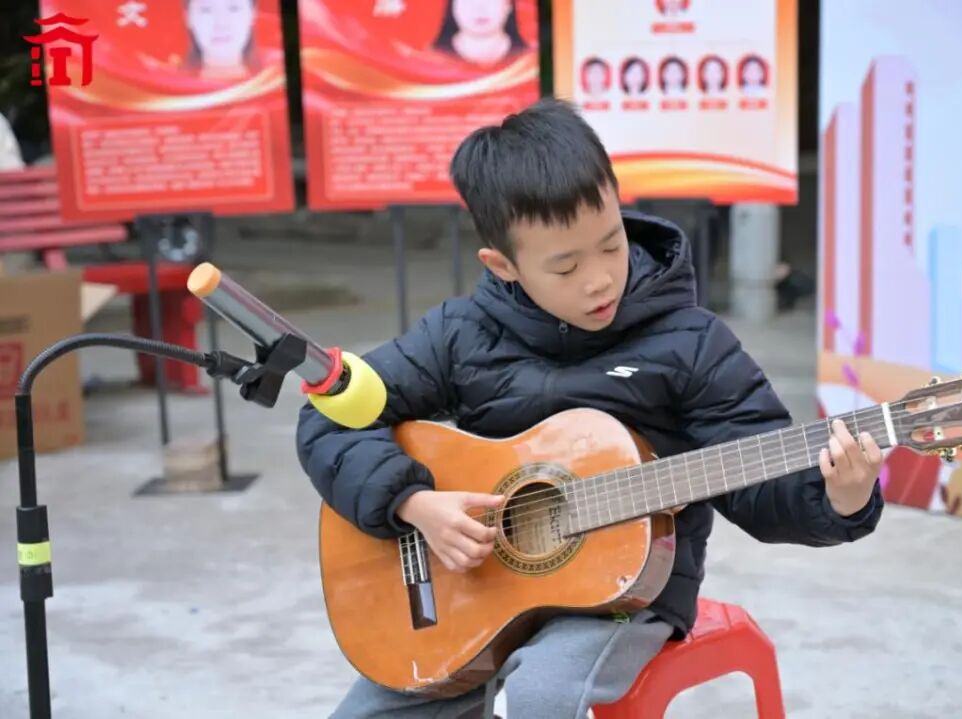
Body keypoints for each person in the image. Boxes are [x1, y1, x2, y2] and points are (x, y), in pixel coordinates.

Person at [296, 98, 884, 719]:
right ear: (503, 266)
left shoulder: (692, 343)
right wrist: (413, 503)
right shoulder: (459, 334)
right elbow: (333, 414)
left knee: (540, 692)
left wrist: (838, 499)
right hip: (473, 592)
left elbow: (759, 481)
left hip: (623, 597)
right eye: (566, 266)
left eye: (611, 245)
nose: (599, 279)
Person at [432, 0, 528, 66]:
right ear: (452, 6)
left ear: (509, 5)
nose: (480, 9)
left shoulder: (528, 62)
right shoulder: (431, 61)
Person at [183, 0, 259, 79]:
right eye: (206, 9)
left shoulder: (267, 79)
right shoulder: (175, 84)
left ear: (253, 14)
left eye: (233, 8)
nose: (221, 24)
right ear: (188, 17)